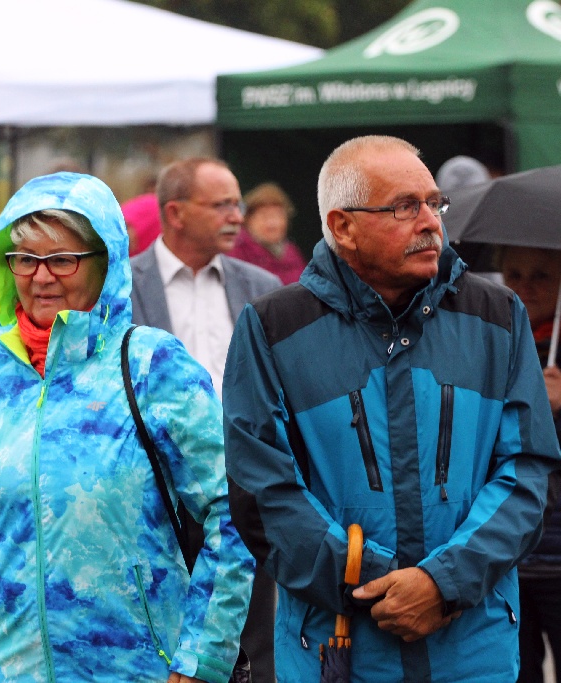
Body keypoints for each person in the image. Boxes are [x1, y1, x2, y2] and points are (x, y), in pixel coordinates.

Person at [223, 135, 561, 682]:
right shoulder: (273, 328)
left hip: (472, 652)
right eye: (405, 207)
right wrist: (381, 586)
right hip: (335, 654)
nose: (430, 221)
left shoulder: (497, 315)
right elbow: (263, 495)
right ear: (342, 227)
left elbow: (526, 474)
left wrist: (441, 585)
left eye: (435, 203)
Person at [0, 171, 254, 683]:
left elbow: (233, 510)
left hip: (137, 669)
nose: (40, 277)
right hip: (3, 670)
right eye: (24, 259)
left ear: (106, 264)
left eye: (62, 259)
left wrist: (201, 659)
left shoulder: (153, 365)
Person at [130, 157, 281, 682]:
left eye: (237, 202)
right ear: (174, 212)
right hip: (155, 491)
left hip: (247, 482)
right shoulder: (122, 288)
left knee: (256, 634)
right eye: (221, 204)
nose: (236, 215)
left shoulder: (262, 287)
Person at [500, 246, 561, 683]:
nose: (525, 286)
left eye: (541, 275)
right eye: (515, 273)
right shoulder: (499, 342)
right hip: (511, 555)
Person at [228, 182, 307, 284]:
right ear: (248, 220)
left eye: (278, 216)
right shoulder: (236, 251)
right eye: (264, 216)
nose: (272, 224)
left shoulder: (292, 253)